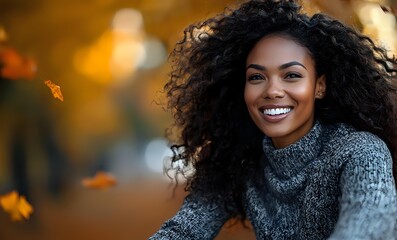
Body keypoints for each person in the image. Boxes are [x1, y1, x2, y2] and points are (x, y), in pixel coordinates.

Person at [149, 0, 397, 239]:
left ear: (319, 86)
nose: (272, 91)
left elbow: (369, 225)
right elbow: (182, 231)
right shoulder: (243, 165)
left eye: (291, 75)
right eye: (256, 77)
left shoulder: (360, 150)